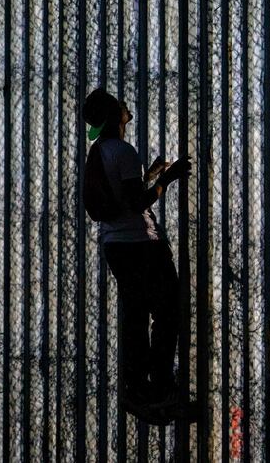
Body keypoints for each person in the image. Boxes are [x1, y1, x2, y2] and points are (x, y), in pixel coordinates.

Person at [82, 87, 196, 425]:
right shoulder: (124, 150)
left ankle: (139, 387)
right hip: (140, 244)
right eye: (120, 105)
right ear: (116, 116)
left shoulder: (101, 151)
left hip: (115, 245)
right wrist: (168, 181)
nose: (125, 106)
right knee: (168, 312)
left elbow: (121, 193)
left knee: (136, 314)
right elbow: (136, 204)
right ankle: (160, 386)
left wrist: (150, 176)